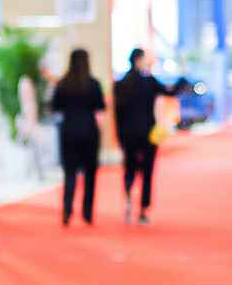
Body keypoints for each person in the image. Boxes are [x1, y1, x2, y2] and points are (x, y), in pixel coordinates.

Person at [113, 48, 188, 223]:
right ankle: (143, 211)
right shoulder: (149, 81)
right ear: (138, 60)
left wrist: (120, 135)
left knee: (129, 168)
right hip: (148, 133)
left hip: (128, 134)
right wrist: (182, 77)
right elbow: (170, 92)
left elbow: (118, 113)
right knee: (147, 171)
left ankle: (128, 196)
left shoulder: (121, 84)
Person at [50, 48, 105, 225]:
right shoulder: (93, 84)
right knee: (90, 174)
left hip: (68, 132)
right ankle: (87, 213)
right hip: (90, 132)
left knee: (70, 173)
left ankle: (67, 210)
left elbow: (55, 107)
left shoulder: (63, 84)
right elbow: (101, 107)